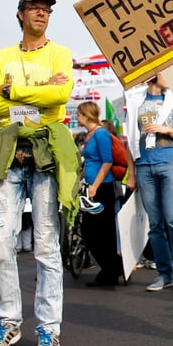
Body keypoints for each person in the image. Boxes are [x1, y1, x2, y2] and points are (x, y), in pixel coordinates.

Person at [0, 0, 80, 346]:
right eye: (35, 8)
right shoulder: (1, 56)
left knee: (47, 246)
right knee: (1, 244)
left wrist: (14, 90)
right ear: (20, 14)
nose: (42, 13)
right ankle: (8, 322)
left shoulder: (60, 53)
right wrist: (41, 91)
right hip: (8, 151)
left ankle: (49, 330)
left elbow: (63, 94)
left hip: (45, 151)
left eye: (47, 9)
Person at [125, 73, 173, 294]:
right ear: (153, 77)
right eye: (165, 72)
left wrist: (165, 129)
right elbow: (129, 139)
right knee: (155, 225)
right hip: (144, 167)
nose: (170, 76)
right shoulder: (136, 102)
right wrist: (132, 173)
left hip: (169, 164)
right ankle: (164, 274)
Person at [77, 101, 123, 287]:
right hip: (91, 186)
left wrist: (94, 185)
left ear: (87, 115)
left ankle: (112, 269)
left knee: (102, 231)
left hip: (102, 187)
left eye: (79, 114)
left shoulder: (101, 133)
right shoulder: (89, 135)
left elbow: (107, 161)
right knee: (89, 231)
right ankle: (110, 268)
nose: (77, 117)